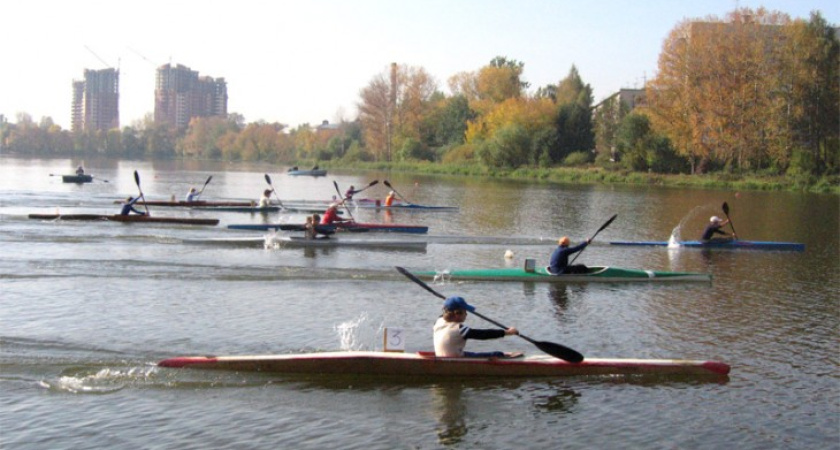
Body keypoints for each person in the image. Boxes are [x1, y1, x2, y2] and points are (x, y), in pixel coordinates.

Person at [433, 296, 518, 358]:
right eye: (465, 311)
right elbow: (483, 334)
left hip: (441, 355)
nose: (466, 314)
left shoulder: (438, 321)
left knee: (470, 353)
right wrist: (507, 332)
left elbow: (445, 314)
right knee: (497, 354)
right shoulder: (460, 329)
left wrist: (449, 304)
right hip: (455, 358)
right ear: (457, 314)